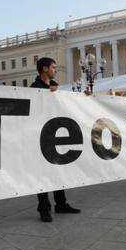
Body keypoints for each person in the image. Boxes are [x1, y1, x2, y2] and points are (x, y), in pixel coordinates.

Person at [31, 57, 81, 222]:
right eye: (53, 67)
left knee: (58, 170)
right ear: (44, 69)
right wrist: (48, 94)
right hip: (41, 136)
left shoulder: (54, 87)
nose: (55, 70)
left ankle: (61, 204)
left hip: (55, 134)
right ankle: (44, 208)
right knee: (42, 174)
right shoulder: (34, 88)